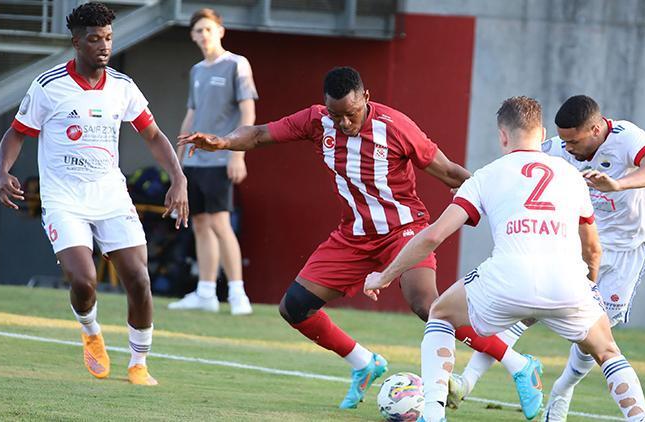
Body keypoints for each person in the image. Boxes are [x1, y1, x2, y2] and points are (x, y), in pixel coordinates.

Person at [177, 67, 539, 410]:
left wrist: (501, 201)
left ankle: (519, 365)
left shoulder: (395, 126)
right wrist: (223, 141)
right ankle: (364, 363)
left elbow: (447, 171)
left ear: (366, 96)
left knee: (426, 305)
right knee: (295, 308)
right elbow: (258, 134)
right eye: (336, 116)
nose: (343, 123)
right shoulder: (317, 121)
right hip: (353, 235)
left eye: (350, 113)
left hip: (404, 230)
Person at [365, 96, 645, 422]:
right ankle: (641, 419)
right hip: (567, 282)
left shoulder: (486, 176)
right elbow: (593, 249)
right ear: (542, 132)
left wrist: (385, 275)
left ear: (502, 136)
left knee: (441, 315)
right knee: (607, 351)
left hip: (507, 278)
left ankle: (433, 414)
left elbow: (433, 236)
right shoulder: (573, 177)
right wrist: (588, 286)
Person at [0, 2, 188, 386]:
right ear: (77, 42)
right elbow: (16, 132)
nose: (104, 46)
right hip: (64, 198)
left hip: (111, 196)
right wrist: (1, 171)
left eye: (109, 38)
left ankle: (138, 363)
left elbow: (153, 135)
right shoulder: (49, 87)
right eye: (95, 39)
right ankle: (91, 331)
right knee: (84, 281)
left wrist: (178, 179)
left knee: (139, 280)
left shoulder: (123, 87)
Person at [445, 95, 645, 419]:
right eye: (562, 141)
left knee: (596, 334)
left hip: (627, 250)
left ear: (595, 129)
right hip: (579, 243)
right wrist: (472, 189)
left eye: (573, 141)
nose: (567, 149)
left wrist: (617, 185)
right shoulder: (559, 148)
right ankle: (466, 382)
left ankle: (563, 388)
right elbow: (514, 169)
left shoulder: (627, 138)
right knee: (520, 309)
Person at [168, 8, 257, 316]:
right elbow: (191, 115)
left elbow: (247, 113)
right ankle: (205, 292)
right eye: (197, 31)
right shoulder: (196, 71)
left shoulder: (237, 65)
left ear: (220, 31)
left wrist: (238, 153)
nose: (203, 35)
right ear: (192, 36)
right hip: (194, 161)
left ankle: (237, 293)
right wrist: (177, 164)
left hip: (222, 158)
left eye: (208, 29)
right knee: (201, 223)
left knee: (220, 222)